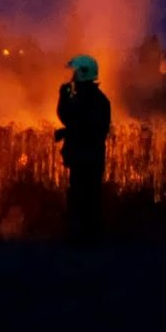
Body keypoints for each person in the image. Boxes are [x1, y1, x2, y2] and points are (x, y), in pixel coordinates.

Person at [54, 54, 111, 244]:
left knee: (86, 198)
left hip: (88, 158)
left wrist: (67, 131)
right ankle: (84, 237)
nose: (72, 78)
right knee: (83, 196)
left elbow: (86, 127)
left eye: (76, 74)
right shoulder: (89, 99)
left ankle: (88, 239)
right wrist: (64, 99)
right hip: (85, 157)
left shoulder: (95, 101)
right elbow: (71, 119)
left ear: (84, 74)